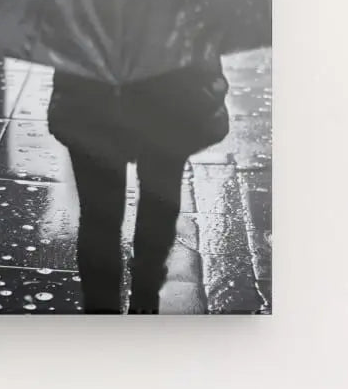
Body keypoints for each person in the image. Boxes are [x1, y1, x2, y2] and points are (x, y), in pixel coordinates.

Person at [48, 57, 229, 314]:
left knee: (100, 217)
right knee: (160, 196)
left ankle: (103, 308)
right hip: (171, 94)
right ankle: (146, 287)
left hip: (91, 97)